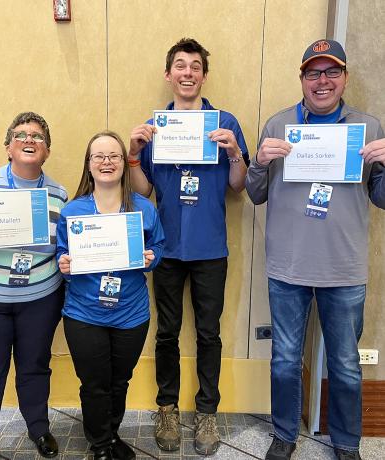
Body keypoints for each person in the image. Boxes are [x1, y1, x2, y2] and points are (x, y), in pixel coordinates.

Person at [245, 39, 385, 460]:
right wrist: (258, 163)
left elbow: (380, 197)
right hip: (287, 268)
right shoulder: (277, 125)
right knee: (285, 360)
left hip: (343, 269)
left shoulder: (369, 129)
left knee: (344, 364)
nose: (322, 81)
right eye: (313, 73)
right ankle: (284, 435)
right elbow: (254, 194)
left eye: (331, 72)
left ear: (344, 78)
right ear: (302, 78)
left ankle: (346, 443)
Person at [128, 38, 249, 455]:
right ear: (168, 75)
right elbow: (144, 191)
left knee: (209, 334)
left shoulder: (225, 122)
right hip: (166, 248)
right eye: (179, 66)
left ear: (203, 75)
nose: (187, 73)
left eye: (195, 66)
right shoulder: (154, 127)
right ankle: (167, 408)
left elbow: (238, 187)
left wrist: (234, 152)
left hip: (210, 249)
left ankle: (207, 413)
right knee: (166, 333)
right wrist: (133, 154)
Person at [0, 112, 68, 459]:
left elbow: (64, 248)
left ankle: (39, 430)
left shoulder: (58, 194)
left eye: (38, 137)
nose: (29, 140)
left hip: (39, 299)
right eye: (22, 135)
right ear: (9, 147)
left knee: (35, 367)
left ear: (47, 151)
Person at [56, 131, 164, 460]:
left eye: (114, 156)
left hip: (130, 314)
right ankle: (100, 444)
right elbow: (62, 253)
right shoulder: (72, 211)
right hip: (84, 314)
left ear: (123, 163)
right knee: (94, 384)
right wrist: (65, 263)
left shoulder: (143, 210)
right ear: (88, 166)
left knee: (120, 381)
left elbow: (158, 247)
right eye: (99, 156)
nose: (107, 162)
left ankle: (112, 433)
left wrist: (150, 258)